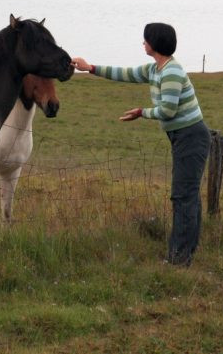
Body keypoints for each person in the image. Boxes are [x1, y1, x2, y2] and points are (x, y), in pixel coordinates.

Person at [71, 22, 210, 267]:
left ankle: (178, 260)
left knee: (182, 197)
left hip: (191, 137)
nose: (143, 43)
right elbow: (125, 74)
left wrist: (141, 113)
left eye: (145, 39)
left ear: (154, 43)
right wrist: (90, 68)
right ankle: (185, 255)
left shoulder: (171, 72)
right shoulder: (155, 69)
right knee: (187, 197)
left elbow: (168, 110)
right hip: (182, 137)